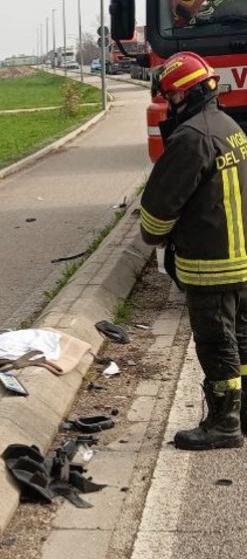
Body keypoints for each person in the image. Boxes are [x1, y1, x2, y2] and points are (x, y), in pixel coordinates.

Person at [139, 51, 247, 450]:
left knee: (217, 344)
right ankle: (242, 411)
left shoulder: (190, 139)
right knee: (242, 340)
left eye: (168, 98)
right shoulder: (229, 126)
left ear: (181, 96)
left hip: (211, 264)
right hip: (242, 262)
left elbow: (156, 214)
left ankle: (223, 425)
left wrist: (158, 235)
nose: (167, 106)